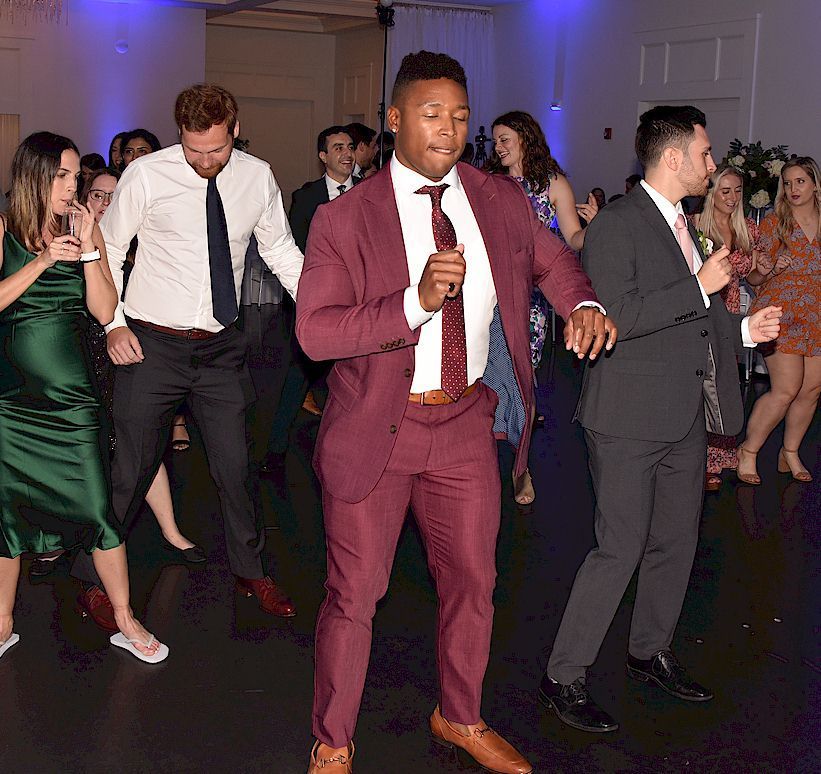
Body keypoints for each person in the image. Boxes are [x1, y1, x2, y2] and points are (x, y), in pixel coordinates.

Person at [296, 50, 615, 774]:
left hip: (465, 424)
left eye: (460, 115)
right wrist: (415, 302)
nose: (448, 128)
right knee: (354, 596)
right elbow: (315, 331)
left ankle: (459, 717)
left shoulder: (495, 198)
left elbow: (551, 260)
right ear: (395, 118)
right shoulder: (343, 219)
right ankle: (333, 740)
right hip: (378, 427)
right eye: (432, 113)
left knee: (474, 583)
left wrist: (583, 302)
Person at [537, 106, 781, 734]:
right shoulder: (618, 225)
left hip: (682, 414)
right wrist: (701, 284)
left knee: (675, 543)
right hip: (625, 416)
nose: (712, 163)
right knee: (618, 548)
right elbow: (618, 314)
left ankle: (650, 650)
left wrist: (746, 330)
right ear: (673, 157)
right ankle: (564, 674)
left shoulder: (687, 225)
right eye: (704, 153)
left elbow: (697, 316)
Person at [68, 83, 303, 622]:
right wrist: (115, 324)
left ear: (234, 131)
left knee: (237, 466)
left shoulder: (257, 177)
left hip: (221, 348)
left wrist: (323, 306)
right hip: (152, 344)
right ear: (180, 135)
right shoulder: (148, 176)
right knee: (131, 467)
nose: (204, 160)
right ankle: (92, 575)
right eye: (194, 149)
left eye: (216, 149)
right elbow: (109, 248)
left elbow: (281, 252)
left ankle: (252, 571)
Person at [0, 132, 168, 663]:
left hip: (72, 402)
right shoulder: (4, 230)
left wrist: (92, 247)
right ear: (34, 177)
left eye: (76, 176)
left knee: (99, 509)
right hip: (11, 406)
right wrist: (44, 260)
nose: (74, 187)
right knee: (5, 517)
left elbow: (102, 310)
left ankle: (125, 618)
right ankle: (1, 622)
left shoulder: (80, 231)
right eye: (63, 177)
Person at [83, 168, 205, 564]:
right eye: (98, 195)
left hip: (123, 358)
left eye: (114, 197)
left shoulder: (143, 253)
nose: (106, 205)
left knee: (140, 449)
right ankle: (61, 541)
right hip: (76, 360)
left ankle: (170, 531)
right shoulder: (64, 242)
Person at [488, 110, 600, 505]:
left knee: (520, 382)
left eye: (505, 139)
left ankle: (521, 467)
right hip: (487, 293)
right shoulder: (489, 184)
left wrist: (596, 227)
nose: (498, 147)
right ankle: (485, 462)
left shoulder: (553, 184)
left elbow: (572, 239)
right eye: (495, 140)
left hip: (531, 299)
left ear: (525, 138)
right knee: (486, 381)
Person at [260, 127, 355, 475]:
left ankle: (345, 451)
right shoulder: (306, 197)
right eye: (337, 147)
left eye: (350, 146)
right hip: (313, 300)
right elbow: (294, 250)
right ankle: (275, 450)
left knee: (351, 377)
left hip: (357, 303)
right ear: (323, 156)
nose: (346, 152)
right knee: (298, 375)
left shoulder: (370, 192)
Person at [738, 156, 820, 484]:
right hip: (780, 314)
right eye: (787, 183)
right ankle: (750, 450)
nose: (792, 189)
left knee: (811, 389)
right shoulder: (774, 223)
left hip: (816, 314)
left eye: (800, 181)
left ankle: (790, 452)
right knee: (785, 390)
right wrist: (771, 268)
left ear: (815, 184)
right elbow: (755, 280)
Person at [693, 164, 762, 490]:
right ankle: (699, 461)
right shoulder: (695, 228)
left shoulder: (746, 228)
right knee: (701, 386)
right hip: (703, 313)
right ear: (712, 193)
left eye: (737, 191)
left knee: (722, 387)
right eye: (726, 191)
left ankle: (719, 456)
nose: (733, 198)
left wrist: (768, 269)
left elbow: (753, 277)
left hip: (731, 316)